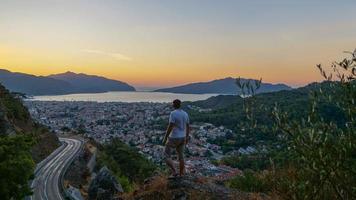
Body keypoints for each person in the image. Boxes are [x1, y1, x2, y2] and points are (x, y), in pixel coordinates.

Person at [163, 99, 190, 177]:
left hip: (174, 137)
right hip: (183, 137)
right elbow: (188, 126)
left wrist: (165, 137)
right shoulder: (185, 114)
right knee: (181, 157)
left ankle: (174, 172)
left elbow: (170, 126)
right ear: (180, 105)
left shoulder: (173, 113)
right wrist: (187, 137)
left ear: (173, 105)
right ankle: (181, 174)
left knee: (166, 155)